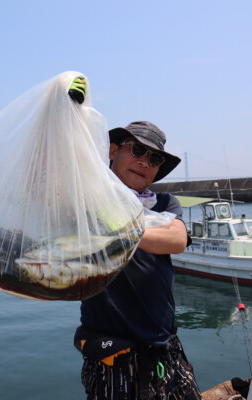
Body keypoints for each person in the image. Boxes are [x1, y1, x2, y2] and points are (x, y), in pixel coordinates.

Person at [73, 121, 202, 400]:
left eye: (154, 158)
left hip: (164, 346)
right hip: (112, 354)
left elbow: (177, 240)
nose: (144, 162)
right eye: (138, 150)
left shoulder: (165, 203)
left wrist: (116, 226)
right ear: (112, 150)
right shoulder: (87, 200)